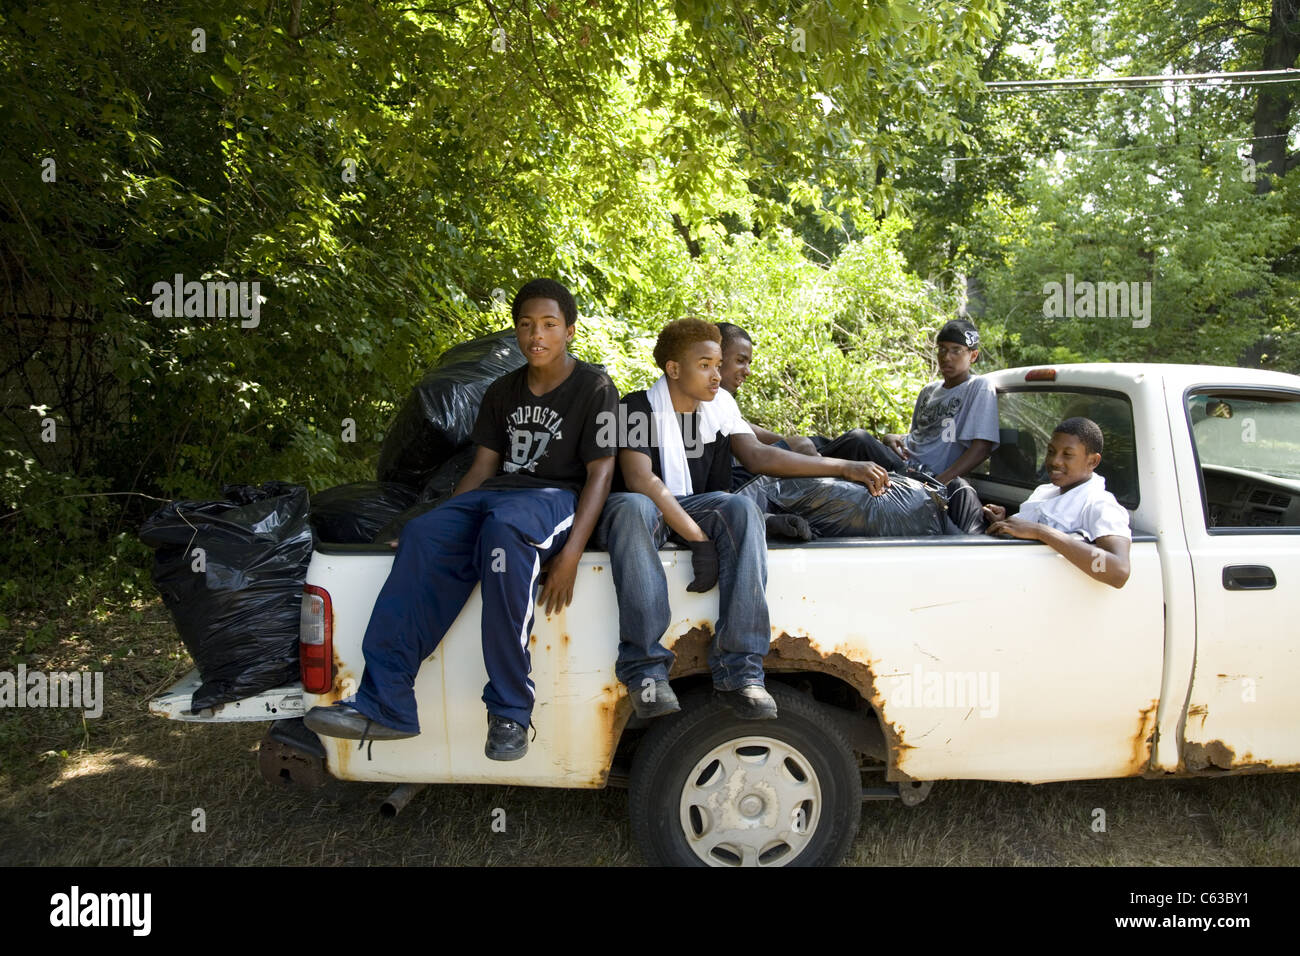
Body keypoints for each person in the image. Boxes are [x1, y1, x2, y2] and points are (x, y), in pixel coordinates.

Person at [303, 279, 618, 760]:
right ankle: (386, 704)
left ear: (570, 331)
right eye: (527, 324)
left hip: (554, 499)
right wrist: (435, 517)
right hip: (496, 494)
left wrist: (572, 551)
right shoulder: (501, 390)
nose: (537, 334)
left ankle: (511, 709)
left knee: (503, 533)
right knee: (424, 535)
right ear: (515, 331)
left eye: (550, 325)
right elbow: (482, 468)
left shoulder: (594, 388)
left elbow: (602, 473)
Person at [593, 319, 888, 721]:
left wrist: (842, 466)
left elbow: (758, 457)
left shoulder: (719, 406)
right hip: (645, 510)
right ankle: (645, 671)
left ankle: (740, 670)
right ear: (673, 369)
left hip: (692, 504)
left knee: (740, 507)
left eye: (718, 365)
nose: (717, 375)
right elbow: (643, 481)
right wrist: (698, 539)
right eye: (705, 365)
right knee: (632, 507)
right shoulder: (635, 408)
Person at [719, 320, 1000, 485]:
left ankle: (809, 460)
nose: (946, 357)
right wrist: (894, 437)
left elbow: (981, 446)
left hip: (925, 476)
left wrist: (941, 483)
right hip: (904, 459)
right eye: (942, 350)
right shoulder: (929, 390)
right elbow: (920, 437)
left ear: (972, 356)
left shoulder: (979, 386)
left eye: (956, 351)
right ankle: (808, 458)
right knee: (813, 442)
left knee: (857, 439)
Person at [983, 417, 1131, 588]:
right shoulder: (1045, 492)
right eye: (1051, 451)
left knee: (960, 488)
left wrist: (1041, 532)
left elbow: (1119, 571)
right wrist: (1005, 523)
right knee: (960, 491)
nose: (1054, 461)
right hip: (1011, 576)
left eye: (1067, 454)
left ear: (1093, 461)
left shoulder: (1099, 504)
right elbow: (1027, 531)